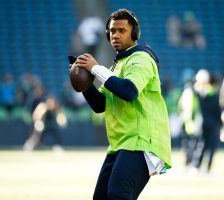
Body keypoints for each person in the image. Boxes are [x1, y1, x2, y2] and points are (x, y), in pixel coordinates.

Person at [70, 9, 171, 199]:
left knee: (118, 194)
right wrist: (84, 84)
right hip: (121, 144)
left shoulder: (141, 58)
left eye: (122, 30)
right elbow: (100, 105)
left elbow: (129, 91)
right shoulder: (117, 66)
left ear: (134, 33)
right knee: (101, 197)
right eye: (112, 31)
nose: (115, 35)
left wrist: (96, 68)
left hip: (142, 142)